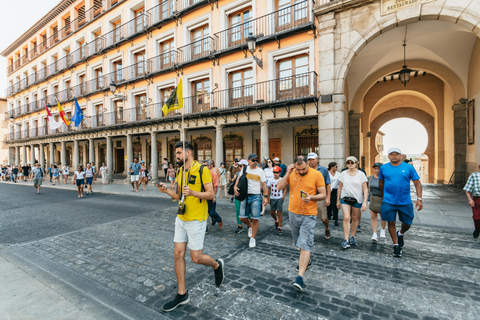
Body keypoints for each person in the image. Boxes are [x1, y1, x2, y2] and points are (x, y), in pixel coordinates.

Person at [156, 141, 224, 312]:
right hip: (181, 217)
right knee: (178, 254)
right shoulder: (179, 171)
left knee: (196, 258)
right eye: (176, 153)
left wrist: (193, 192)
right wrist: (166, 191)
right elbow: (179, 195)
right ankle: (182, 294)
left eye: (179, 153)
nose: (176, 156)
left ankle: (216, 265)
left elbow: (211, 194)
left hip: (197, 219)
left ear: (188, 153)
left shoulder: (202, 170)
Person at [277, 156, 326, 291]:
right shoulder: (292, 173)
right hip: (293, 213)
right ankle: (307, 259)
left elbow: (323, 194)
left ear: (308, 164)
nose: (301, 171)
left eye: (303, 168)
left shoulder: (317, 174)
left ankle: (300, 277)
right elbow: (279, 186)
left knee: (304, 243)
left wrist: (311, 197)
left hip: (309, 214)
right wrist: (287, 172)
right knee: (298, 242)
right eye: (298, 169)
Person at [379, 147, 423, 258]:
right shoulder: (383, 168)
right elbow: (381, 182)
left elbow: (417, 183)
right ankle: (396, 245)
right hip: (389, 201)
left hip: (404, 201)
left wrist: (419, 199)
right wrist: (383, 197)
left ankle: (401, 233)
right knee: (391, 223)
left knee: (408, 222)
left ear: (401, 155)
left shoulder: (408, 167)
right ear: (388, 156)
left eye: (396, 154)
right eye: (391, 154)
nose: (394, 156)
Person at [234, 153, 268, 248]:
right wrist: (235, 187)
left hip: (256, 197)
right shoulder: (245, 169)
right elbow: (239, 178)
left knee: (255, 219)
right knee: (242, 217)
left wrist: (265, 196)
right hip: (245, 196)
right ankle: (250, 226)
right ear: (248, 161)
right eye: (253, 160)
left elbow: (264, 184)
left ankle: (253, 238)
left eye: (257, 160)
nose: (255, 162)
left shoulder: (260, 171)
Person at [337, 156, 368, 249]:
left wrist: (365, 202)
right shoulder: (343, 173)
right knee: (346, 218)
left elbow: (365, 189)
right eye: (348, 162)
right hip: (345, 198)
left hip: (357, 199)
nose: (350, 164)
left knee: (355, 218)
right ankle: (346, 239)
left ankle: (353, 236)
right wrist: (337, 201)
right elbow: (339, 187)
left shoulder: (361, 174)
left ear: (356, 163)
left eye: (352, 162)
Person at [307, 153, 332, 240]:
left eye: (313, 159)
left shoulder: (324, 170)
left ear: (317, 159)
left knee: (323, 218)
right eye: (309, 159)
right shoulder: (306, 169)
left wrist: (328, 197)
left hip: (320, 196)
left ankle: (327, 228)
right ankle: (310, 235)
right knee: (309, 218)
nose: (311, 161)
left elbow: (328, 184)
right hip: (309, 196)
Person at [368, 162, 387, 242]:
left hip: (382, 199)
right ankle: (374, 233)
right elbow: (368, 190)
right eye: (375, 169)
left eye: (379, 169)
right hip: (373, 198)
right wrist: (367, 200)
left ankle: (382, 229)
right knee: (373, 216)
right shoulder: (370, 178)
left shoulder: (385, 178)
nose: (377, 170)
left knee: (382, 216)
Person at [203, 160, 223, 232]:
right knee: (204, 212)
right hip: (203, 195)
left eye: (205, 165)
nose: (204, 167)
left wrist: (214, 196)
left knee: (211, 212)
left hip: (211, 195)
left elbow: (215, 186)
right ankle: (205, 228)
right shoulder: (200, 173)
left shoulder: (213, 174)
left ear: (210, 166)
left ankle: (219, 219)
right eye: (203, 165)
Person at [267, 166, 285, 235]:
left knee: (279, 212)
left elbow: (285, 188)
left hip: (279, 198)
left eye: (276, 172)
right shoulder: (271, 180)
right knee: (272, 212)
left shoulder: (281, 179)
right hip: (272, 198)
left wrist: (283, 196)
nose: (275, 174)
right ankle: (276, 220)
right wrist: (268, 198)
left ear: (280, 173)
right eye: (274, 172)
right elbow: (269, 189)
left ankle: (279, 227)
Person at [464, 163, 480, 238]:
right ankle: (477, 229)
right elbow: (467, 189)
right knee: (476, 217)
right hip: (477, 199)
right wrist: (470, 199)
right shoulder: (474, 176)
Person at [327, 162, 340, 226]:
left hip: (335, 190)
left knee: (335, 205)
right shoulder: (327, 173)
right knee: (328, 204)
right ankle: (329, 215)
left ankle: (335, 219)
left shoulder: (338, 174)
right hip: (328, 190)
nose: (337, 168)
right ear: (332, 167)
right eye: (336, 166)